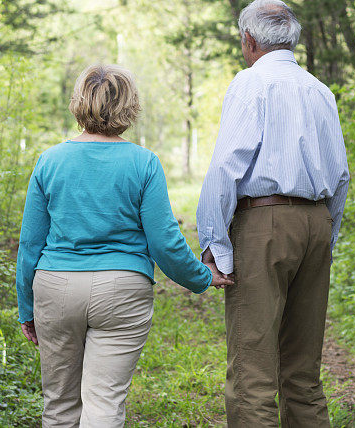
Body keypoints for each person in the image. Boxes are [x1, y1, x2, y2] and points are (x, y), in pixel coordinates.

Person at [16, 64, 233, 428]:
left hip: (56, 287)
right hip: (122, 289)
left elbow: (30, 244)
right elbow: (164, 243)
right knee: (103, 402)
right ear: (129, 106)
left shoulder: (49, 160)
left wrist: (27, 308)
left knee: (59, 404)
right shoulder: (143, 163)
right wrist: (201, 276)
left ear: (79, 102)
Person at [197, 0, 350, 427]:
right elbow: (340, 176)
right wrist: (325, 238)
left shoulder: (250, 83)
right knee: (303, 371)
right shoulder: (320, 91)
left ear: (249, 40)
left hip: (264, 225)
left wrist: (214, 245)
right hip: (317, 223)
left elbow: (227, 167)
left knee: (253, 370)